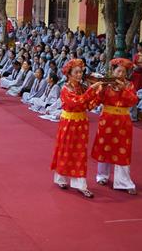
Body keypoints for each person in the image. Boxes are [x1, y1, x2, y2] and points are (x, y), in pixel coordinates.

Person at [50, 58, 99, 198]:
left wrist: (98, 92)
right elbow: (75, 102)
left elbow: (89, 105)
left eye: (81, 72)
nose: (79, 75)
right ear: (69, 74)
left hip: (81, 123)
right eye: (76, 72)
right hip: (69, 123)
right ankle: (61, 178)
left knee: (80, 153)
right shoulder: (65, 89)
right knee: (65, 149)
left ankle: (80, 184)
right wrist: (91, 90)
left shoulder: (82, 87)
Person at [91, 58, 138, 195]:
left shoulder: (129, 85)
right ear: (113, 71)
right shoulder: (106, 84)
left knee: (122, 150)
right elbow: (97, 100)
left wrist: (124, 90)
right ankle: (102, 176)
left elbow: (133, 101)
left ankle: (123, 181)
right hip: (107, 119)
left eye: (123, 71)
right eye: (118, 71)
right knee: (104, 146)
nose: (120, 74)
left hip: (123, 121)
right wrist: (101, 88)